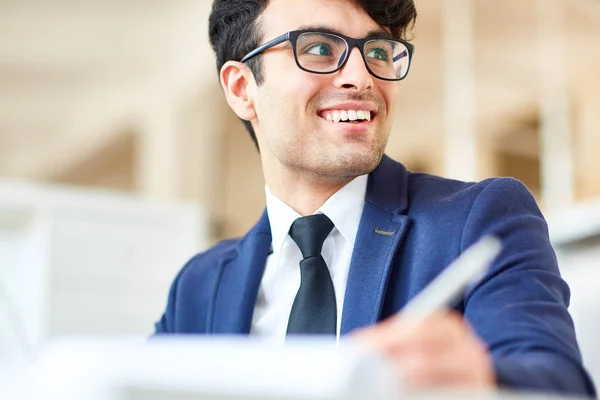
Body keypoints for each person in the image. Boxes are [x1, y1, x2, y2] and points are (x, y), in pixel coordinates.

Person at [154, 0, 595, 396]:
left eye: (380, 52)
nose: (362, 77)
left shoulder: (479, 220)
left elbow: (557, 382)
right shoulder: (198, 286)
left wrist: (485, 381)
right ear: (241, 88)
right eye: (320, 49)